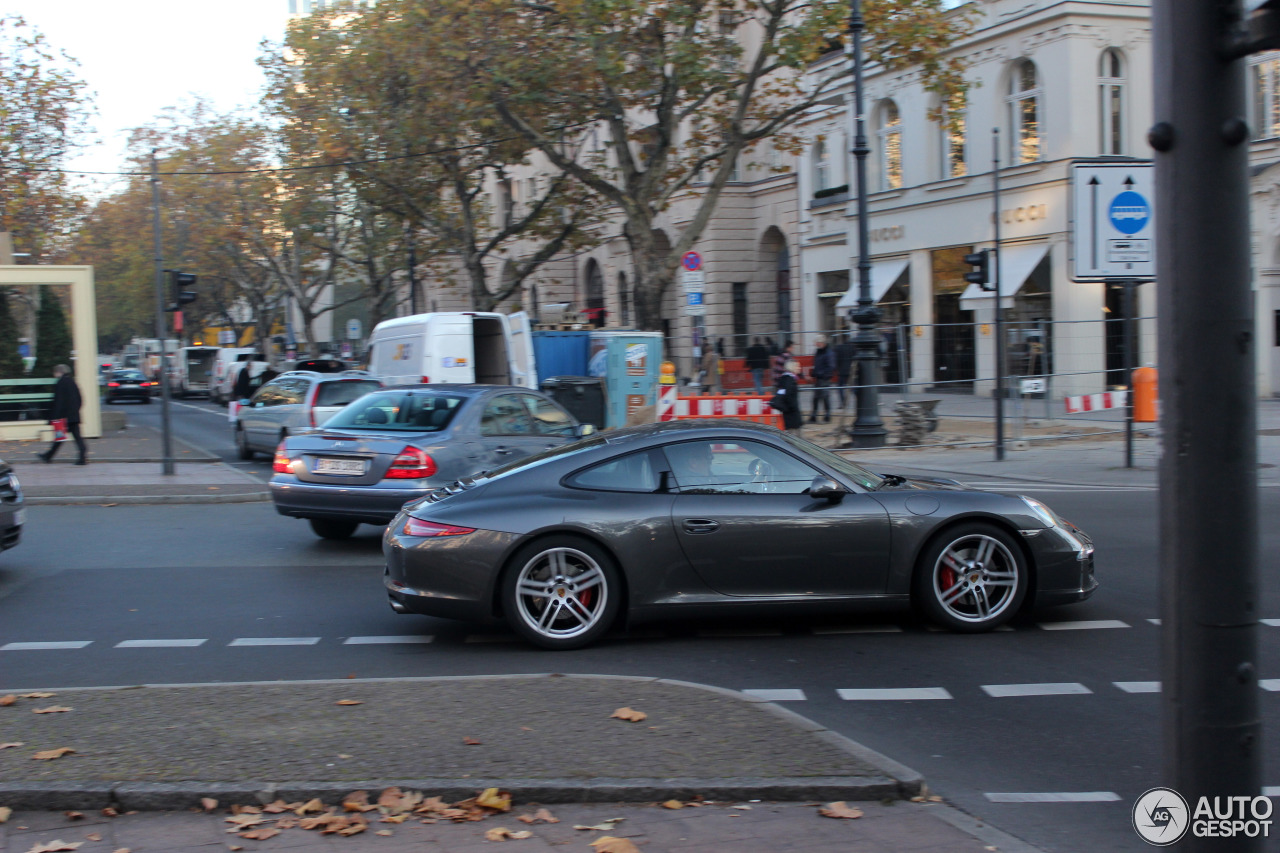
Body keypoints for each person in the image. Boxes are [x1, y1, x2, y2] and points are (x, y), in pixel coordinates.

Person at [38, 364, 86, 465]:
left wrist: (54, 417)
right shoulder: (72, 382)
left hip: (63, 417)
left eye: (55, 372)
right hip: (73, 415)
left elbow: (58, 402)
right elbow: (79, 399)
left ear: (59, 372)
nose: (54, 374)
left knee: (59, 437)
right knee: (76, 437)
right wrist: (75, 410)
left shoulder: (60, 383)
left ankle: (48, 456)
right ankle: (82, 457)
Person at [770, 358, 803, 433]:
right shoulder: (789, 380)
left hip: (789, 415)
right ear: (792, 367)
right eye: (797, 366)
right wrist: (793, 408)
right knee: (795, 438)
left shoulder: (785, 379)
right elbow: (789, 397)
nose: (799, 368)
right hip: (792, 415)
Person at [809, 336, 835, 423]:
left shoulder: (828, 353)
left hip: (824, 378)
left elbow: (831, 367)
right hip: (819, 378)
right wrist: (815, 372)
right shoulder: (819, 352)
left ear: (821, 343)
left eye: (817, 342)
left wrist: (819, 373)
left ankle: (827, 416)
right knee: (816, 398)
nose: (815, 344)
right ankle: (814, 416)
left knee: (825, 397)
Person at [834, 333, 857, 410]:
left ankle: (843, 403)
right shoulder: (852, 348)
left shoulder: (839, 348)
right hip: (850, 370)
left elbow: (836, 359)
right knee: (853, 388)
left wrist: (837, 368)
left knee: (840, 387)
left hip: (841, 371)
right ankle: (858, 400)